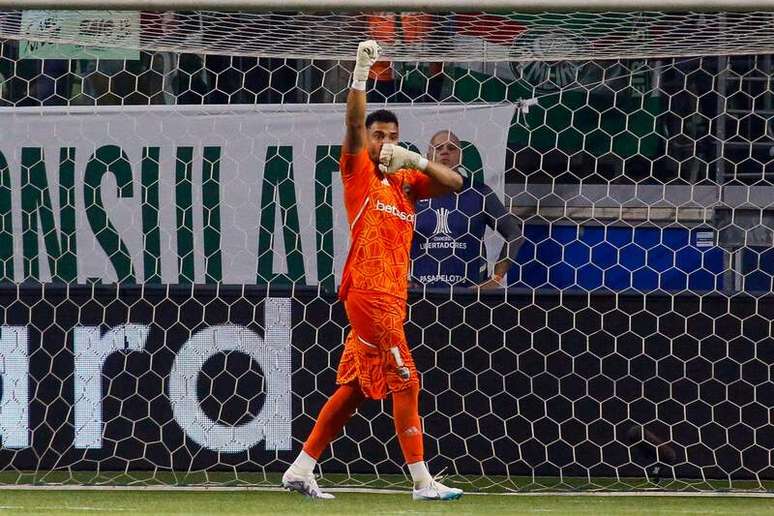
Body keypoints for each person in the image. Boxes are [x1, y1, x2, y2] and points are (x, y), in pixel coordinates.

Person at [282, 40, 464, 501]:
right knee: (407, 379)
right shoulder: (358, 172)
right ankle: (422, 481)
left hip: (389, 294)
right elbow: (350, 123)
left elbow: (455, 183)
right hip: (369, 290)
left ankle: (301, 468)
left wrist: (420, 160)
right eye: (377, 135)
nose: (384, 143)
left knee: (356, 388)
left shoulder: (405, 182)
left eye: (391, 136)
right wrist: (361, 73)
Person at [411, 130, 523, 289]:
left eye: (451, 148)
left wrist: (496, 279)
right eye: (439, 148)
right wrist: (398, 280)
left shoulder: (479, 192)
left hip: (468, 296)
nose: (445, 152)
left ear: (461, 156)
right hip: (421, 295)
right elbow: (390, 239)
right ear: (428, 156)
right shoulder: (413, 194)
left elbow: (515, 235)